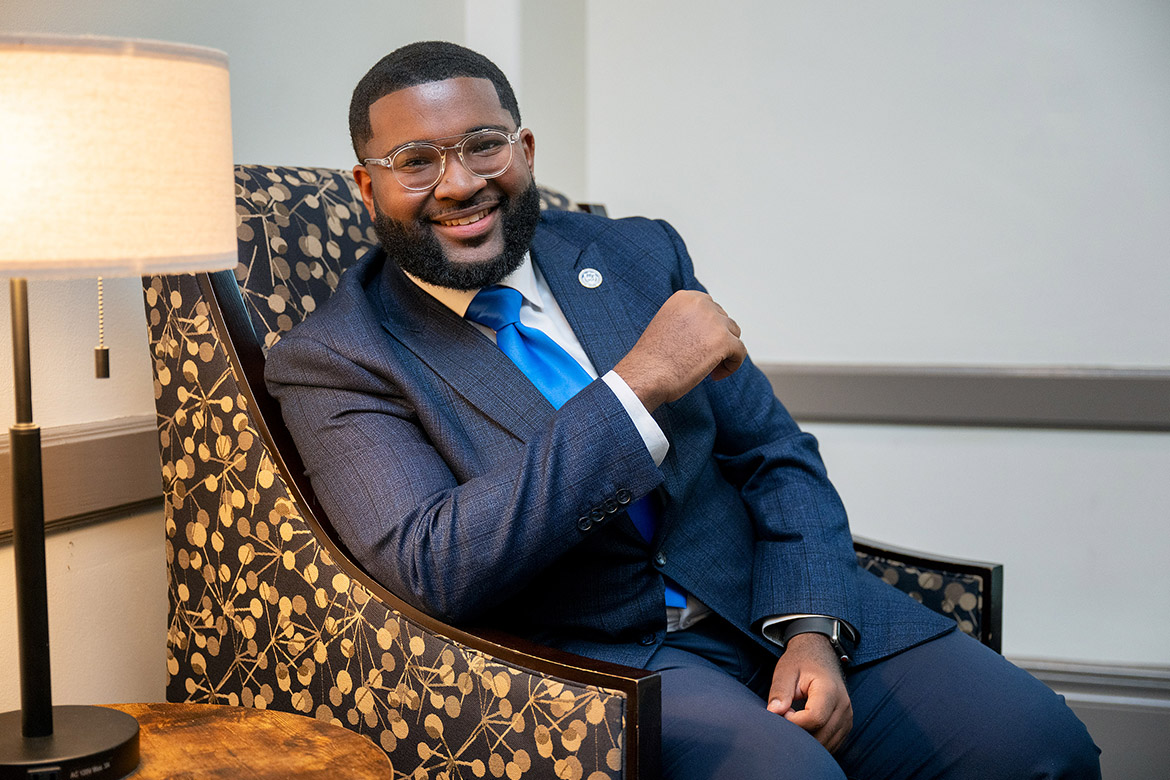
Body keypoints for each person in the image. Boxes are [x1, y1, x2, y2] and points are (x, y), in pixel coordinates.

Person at [265, 40, 1100, 779]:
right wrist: (637, 388)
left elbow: (774, 453)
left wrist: (812, 627)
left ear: (522, 149)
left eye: (484, 145)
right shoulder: (336, 357)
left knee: (1037, 743)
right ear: (367, 186)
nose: (461, 183)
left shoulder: (637, 253)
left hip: (767, 601)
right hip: (598, 657)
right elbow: (431, 564)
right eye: (417, 160)